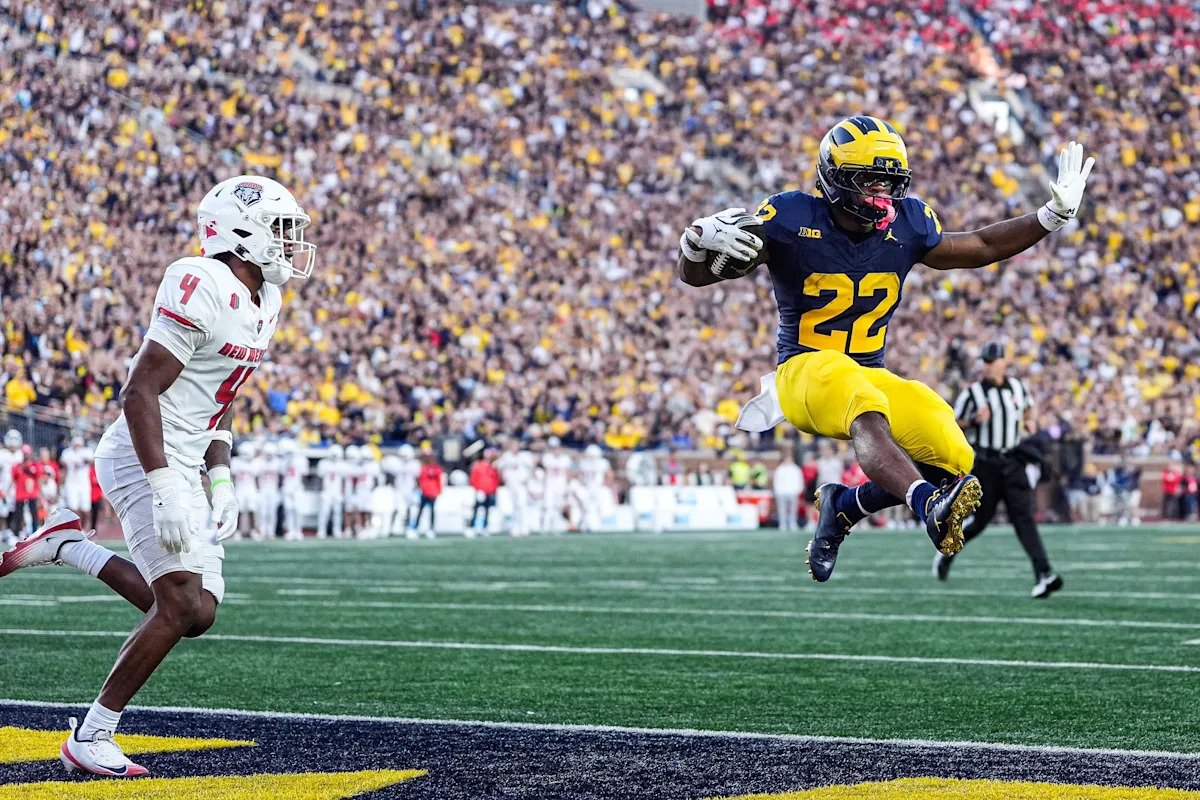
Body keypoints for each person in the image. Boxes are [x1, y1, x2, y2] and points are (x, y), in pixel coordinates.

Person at [682, 117, 1094, 582]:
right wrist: (694, 247)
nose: (882, 193)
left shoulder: (909, 224)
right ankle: (926, 504)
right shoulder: (792, 217)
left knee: (952, 450)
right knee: (861, 397)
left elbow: (979, 245)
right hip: (803, 371)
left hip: (868, 373)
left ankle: (844, 505)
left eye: (889, 181)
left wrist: (1049, 217)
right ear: (834, 178)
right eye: (869, 181)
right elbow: (700, 274)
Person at [0, 174, 315, 776]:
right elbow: (139, 390)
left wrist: (219, 476)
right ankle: (92, 734)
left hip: (187, 457)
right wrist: (166, 484)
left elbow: (220, 395)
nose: (290, 244)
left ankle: (68, 546)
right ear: (241, 233)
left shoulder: (266, 299)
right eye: (280, 230)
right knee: (176, 604)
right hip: (142, 455)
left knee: (198, 613)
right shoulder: (200, 281)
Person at [941, 342, 1062, 598]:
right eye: (985, 361)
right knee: (981, 521)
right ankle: (947, 550)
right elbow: (952, 424)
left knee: (1024, 518)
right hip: (986, 464)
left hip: (1014, 461)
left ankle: (1044, 573)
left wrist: (1029, 420)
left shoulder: (1017, 386)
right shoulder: (973, 393)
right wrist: (974, 421)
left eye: (992, 361)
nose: (988, 366)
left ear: (1003, 362)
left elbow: (1029, 407)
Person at [495, 439, 533, 537]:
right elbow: (499, 467)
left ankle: (524, 527)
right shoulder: (506, 456)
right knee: (513, 506)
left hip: (521, 484)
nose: (514, 448)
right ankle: (515, 527)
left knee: (522, 505)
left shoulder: (524, 456)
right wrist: (503, 478)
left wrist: (527, 478)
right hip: (511, 485)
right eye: (512, 446)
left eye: (516, 446)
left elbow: (531, 467)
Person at [315, 444, 346, 538]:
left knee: (337, 512)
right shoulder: (323, 463)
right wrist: (321, 490)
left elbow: (344, 480)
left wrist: (342, 491)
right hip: (326, 490)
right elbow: (319, 478)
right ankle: (321, 530)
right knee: (324, 511)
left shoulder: (342, 464)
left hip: (337, 491)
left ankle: (337, 530)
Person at [60, 435, 94, 521]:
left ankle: (84, 527)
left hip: (84, 484)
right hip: (71, 483)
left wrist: (83, 460)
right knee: (73, 508)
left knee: (85, 509)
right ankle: (76, 527)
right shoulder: (67, 452)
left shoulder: (87, 452)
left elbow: (92, 461)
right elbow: (62, 462)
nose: (77, 446)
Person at [411, 452, 444, 538]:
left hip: (432, 493)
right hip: (424, 492)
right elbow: (420, 479)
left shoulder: (436, 468)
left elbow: (439, 479)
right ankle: (415, 528)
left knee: (432, 511)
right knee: (420, 510)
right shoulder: (423, 468)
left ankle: (431, 528)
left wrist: (439, 490)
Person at [468, 450, 501, 535]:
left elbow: (496, 480)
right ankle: (472, 527)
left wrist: (494, 491)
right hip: (481, 491)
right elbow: (473, 478)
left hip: (490, 492)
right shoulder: (479, 466)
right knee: (477, 509)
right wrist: (477, 489)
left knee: (487, 510)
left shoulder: (493, 467)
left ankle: (484, 527)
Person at [773, 453, 804, 531]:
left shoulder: (796, 469)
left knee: (793, 510)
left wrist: (799, 490)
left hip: (793, 492)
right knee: (782, 509)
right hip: (781, 492)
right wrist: (777, 491)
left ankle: (792, 524)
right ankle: (783, 524)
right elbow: (776, 481)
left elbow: (800, 480)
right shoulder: (780, 469)